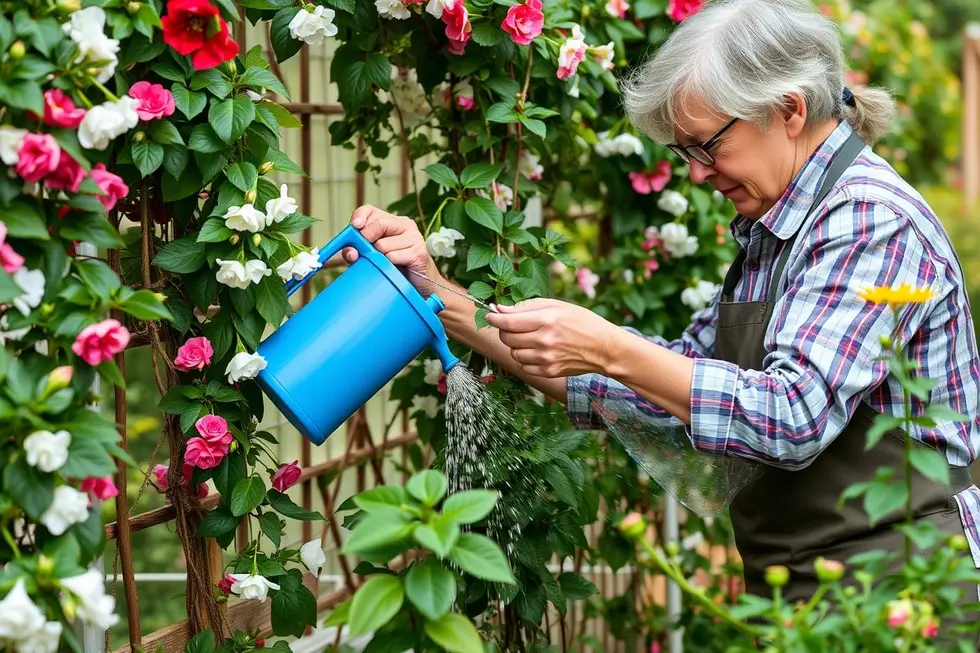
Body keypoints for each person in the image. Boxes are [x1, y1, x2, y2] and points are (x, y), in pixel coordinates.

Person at [344, 0, 980, 616]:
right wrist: (435, 292)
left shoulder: (867, 219)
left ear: (787, 109)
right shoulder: (779, 226)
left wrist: (610, 348)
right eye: (686, 153)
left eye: (707, 146)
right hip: (819, 590)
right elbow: (661, 382)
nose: (698, 174)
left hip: (904, 592)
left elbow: (791, 417)